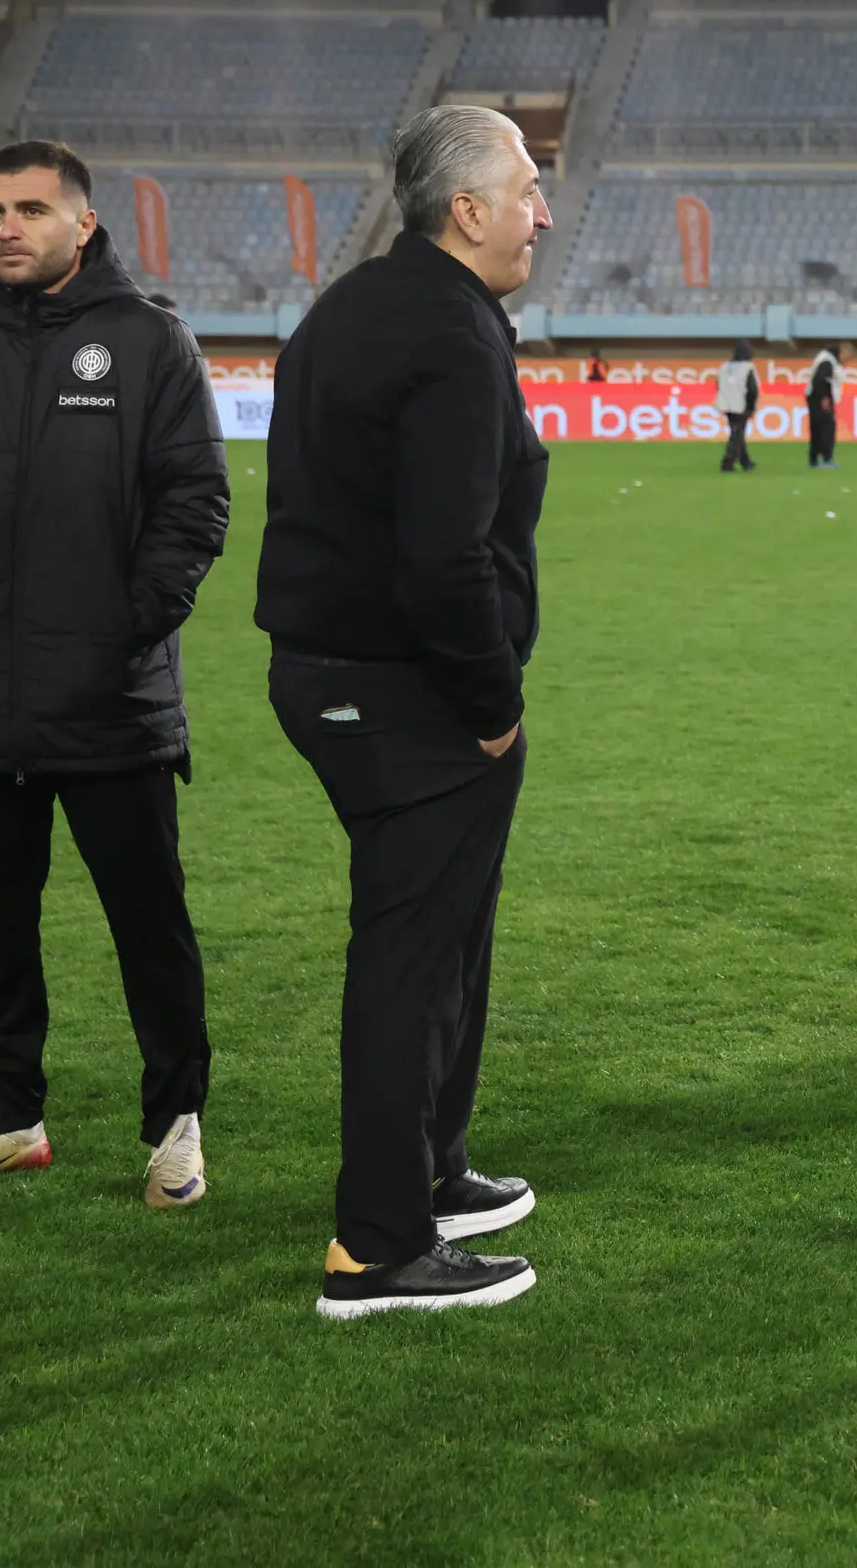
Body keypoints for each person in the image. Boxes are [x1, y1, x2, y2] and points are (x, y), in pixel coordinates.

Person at [0, 139, 226, 1207]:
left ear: (84, 222)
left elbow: (194, 501)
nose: (8, 228)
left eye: (31, 209)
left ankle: (175, 1127)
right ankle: (14, 1121)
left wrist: (126, 625)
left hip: (110, 701)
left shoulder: (149, 339)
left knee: (148, 929)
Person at [255, 106, 552, 1320]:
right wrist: (491, 702)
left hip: (339, 672)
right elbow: (443, 558)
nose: (542, 213)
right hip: (404, 690)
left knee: (443, 944)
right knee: (410, 960)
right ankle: (377, 1246)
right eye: (526, 191)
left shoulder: (355, 307)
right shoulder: (448, 332)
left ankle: (430, 1171)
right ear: (466, 212)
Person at [716, 337, 759, 471]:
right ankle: (727, 462)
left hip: (726, 404)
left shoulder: (724, 367)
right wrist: (751, 406)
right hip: (741, 405)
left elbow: (718, 385)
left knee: (737, 432)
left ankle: (745, 461)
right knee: (737, 434)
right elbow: (752, 389)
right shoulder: (747, 368)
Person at [806, 340, 849, 468]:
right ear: (842, 352)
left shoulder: (826, 358)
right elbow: (820, 379)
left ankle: (813, 459)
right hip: (821, 398)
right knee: (827, 428)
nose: (847, 360)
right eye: (847, 356)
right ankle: (827, 458)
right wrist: (824, 398)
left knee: (816, 429)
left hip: (815, 396)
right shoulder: (828, 361)